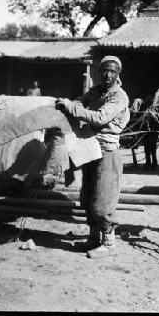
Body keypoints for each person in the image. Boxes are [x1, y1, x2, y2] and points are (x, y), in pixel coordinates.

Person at [56, 56, 130, 259]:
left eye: (112, 71)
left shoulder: (119, 96)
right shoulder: (96, 91)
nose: (108, 74)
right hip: (89, 146)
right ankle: (93, 238)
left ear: (118, 74)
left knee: (103, 200)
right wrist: (71, 104)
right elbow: (80, 102)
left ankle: (109, 243)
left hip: (107, 150)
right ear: (99, 72)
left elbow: (100, 118)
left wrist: (73, 108)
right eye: (104, 71)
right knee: (87, 197)